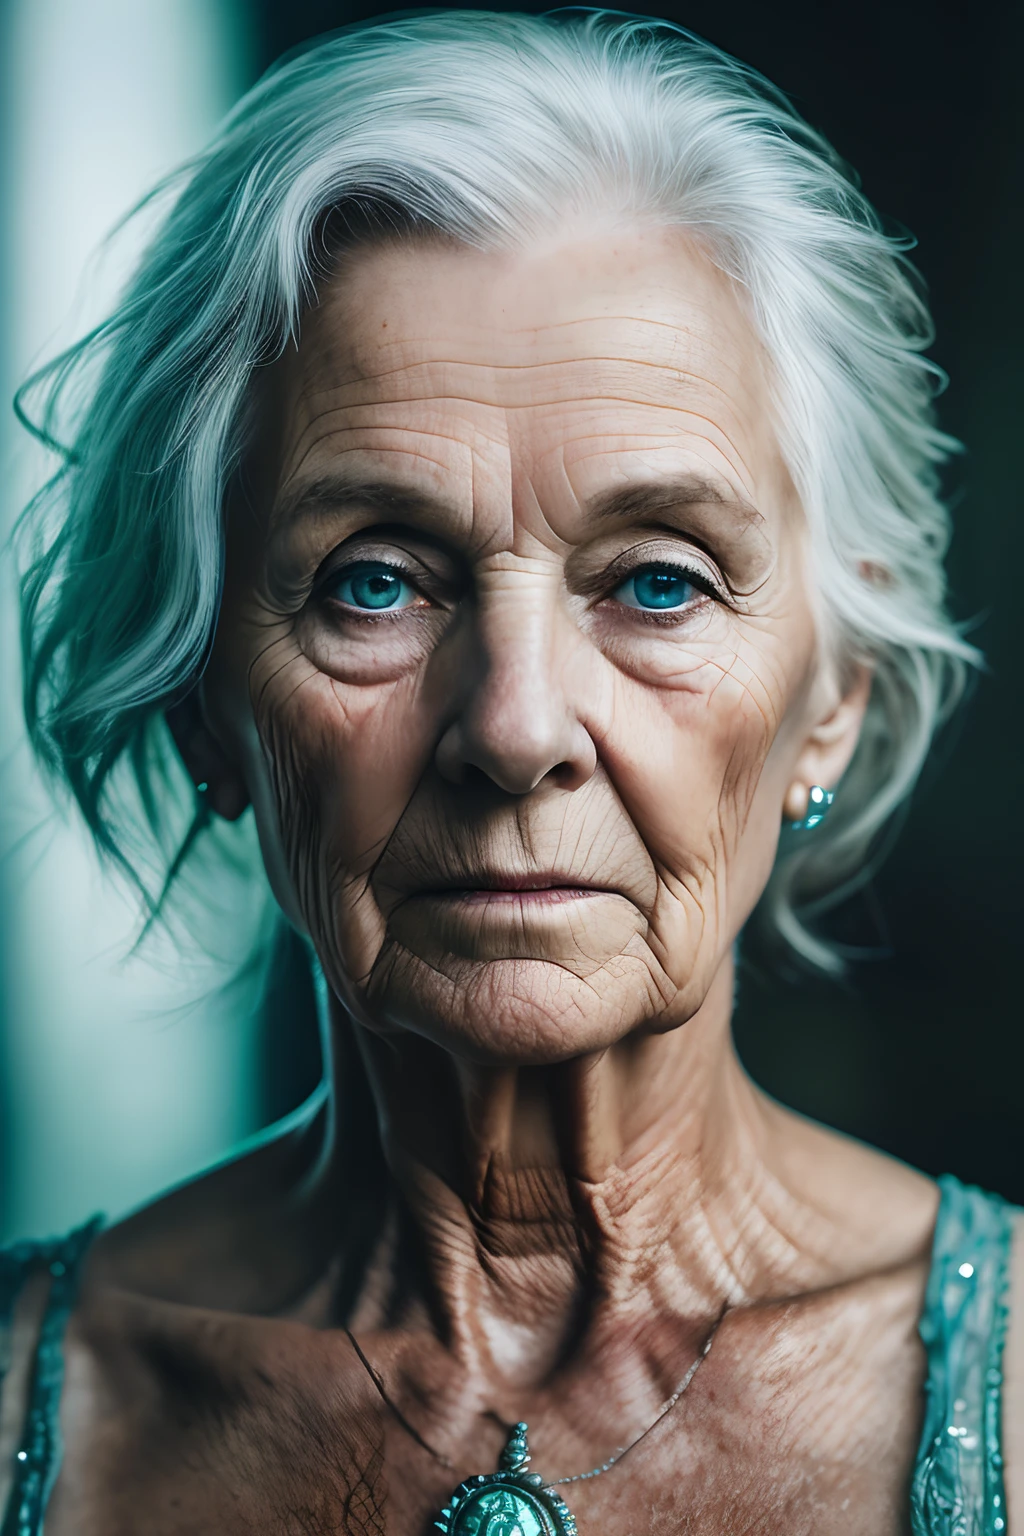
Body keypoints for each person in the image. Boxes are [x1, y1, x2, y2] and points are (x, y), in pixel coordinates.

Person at [0, 9, 1018, 1533]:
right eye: (375, 583)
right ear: (208, 700)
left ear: (836, 695)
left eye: (659, 582)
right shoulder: (40, 1405)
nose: (518, 726)